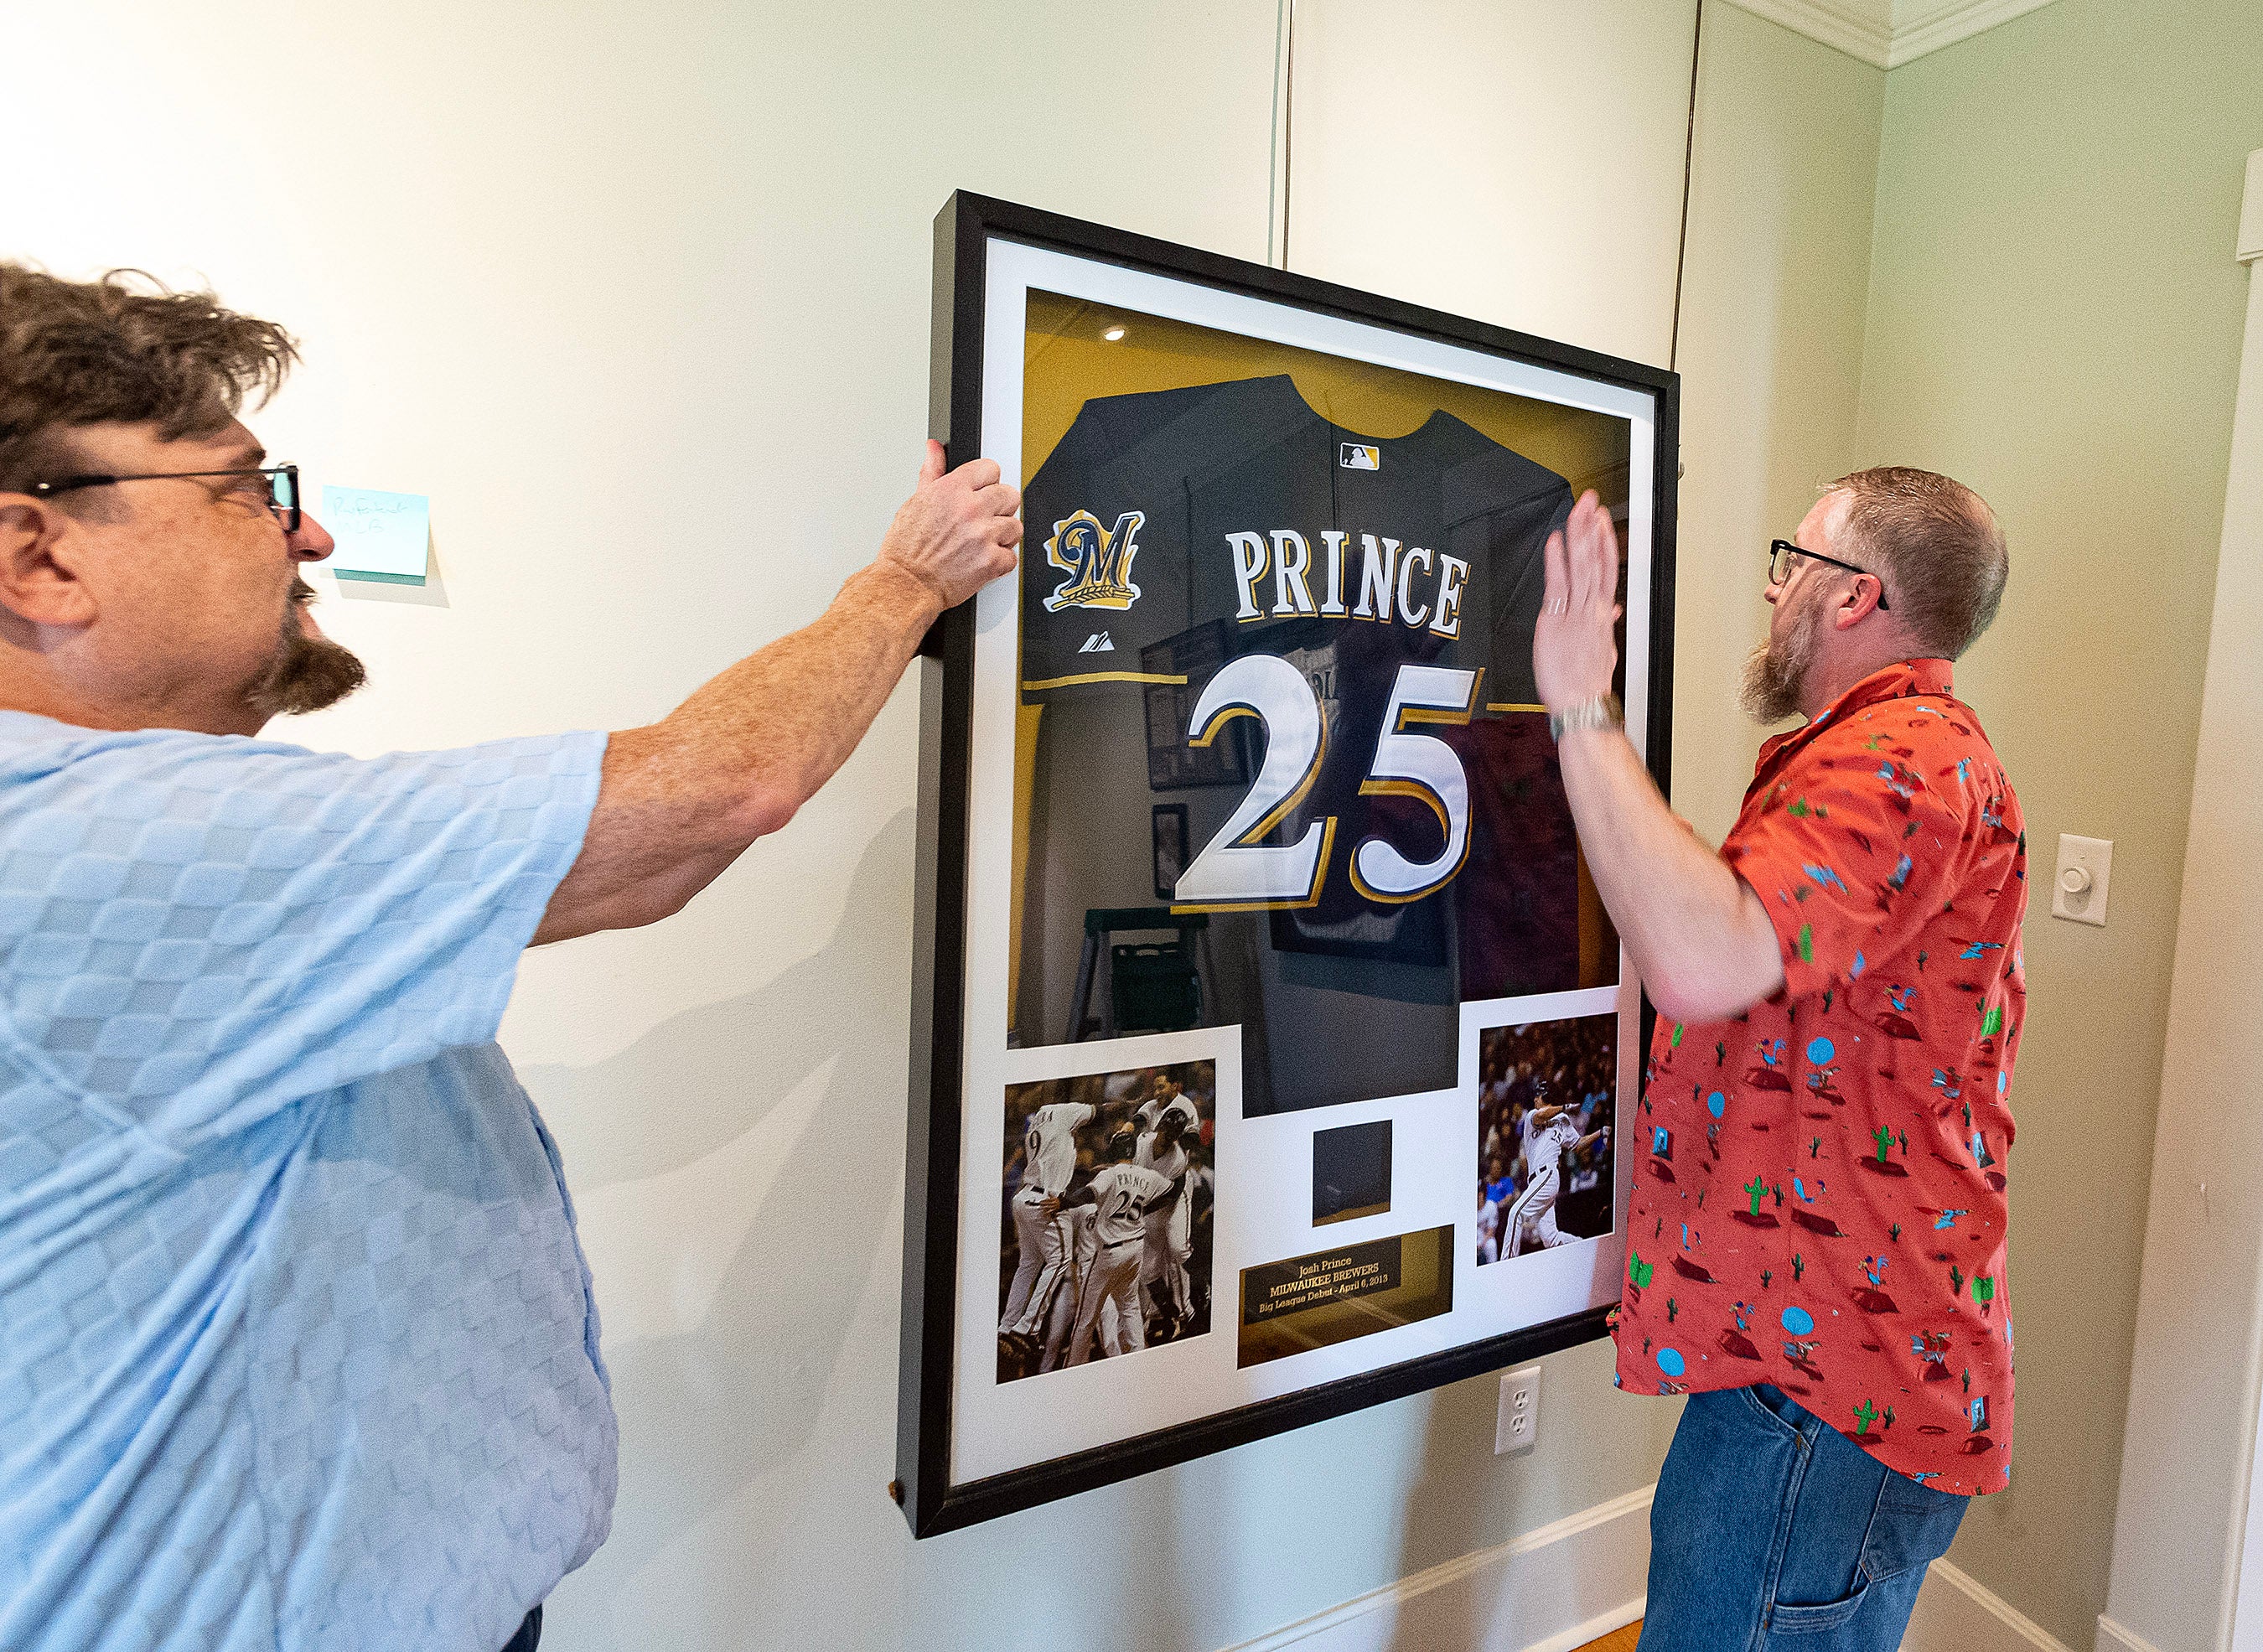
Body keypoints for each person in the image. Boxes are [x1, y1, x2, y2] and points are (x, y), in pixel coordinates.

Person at [0, 266, 1022, 1652]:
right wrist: (905, 580)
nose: (303, 533)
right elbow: (718, 790)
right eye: (245, 489)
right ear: (38, 554)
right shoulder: (102, 844)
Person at [1532, 469, 2023, 1652]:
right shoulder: (1874, 753)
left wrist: (1577, 705)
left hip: (1822, 1397)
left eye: (1788, 559)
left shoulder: (1906, 757)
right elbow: (1745, 957)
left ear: (1855, 598)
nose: (1774, 587)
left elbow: (1706, 961)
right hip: (1805, 1369)